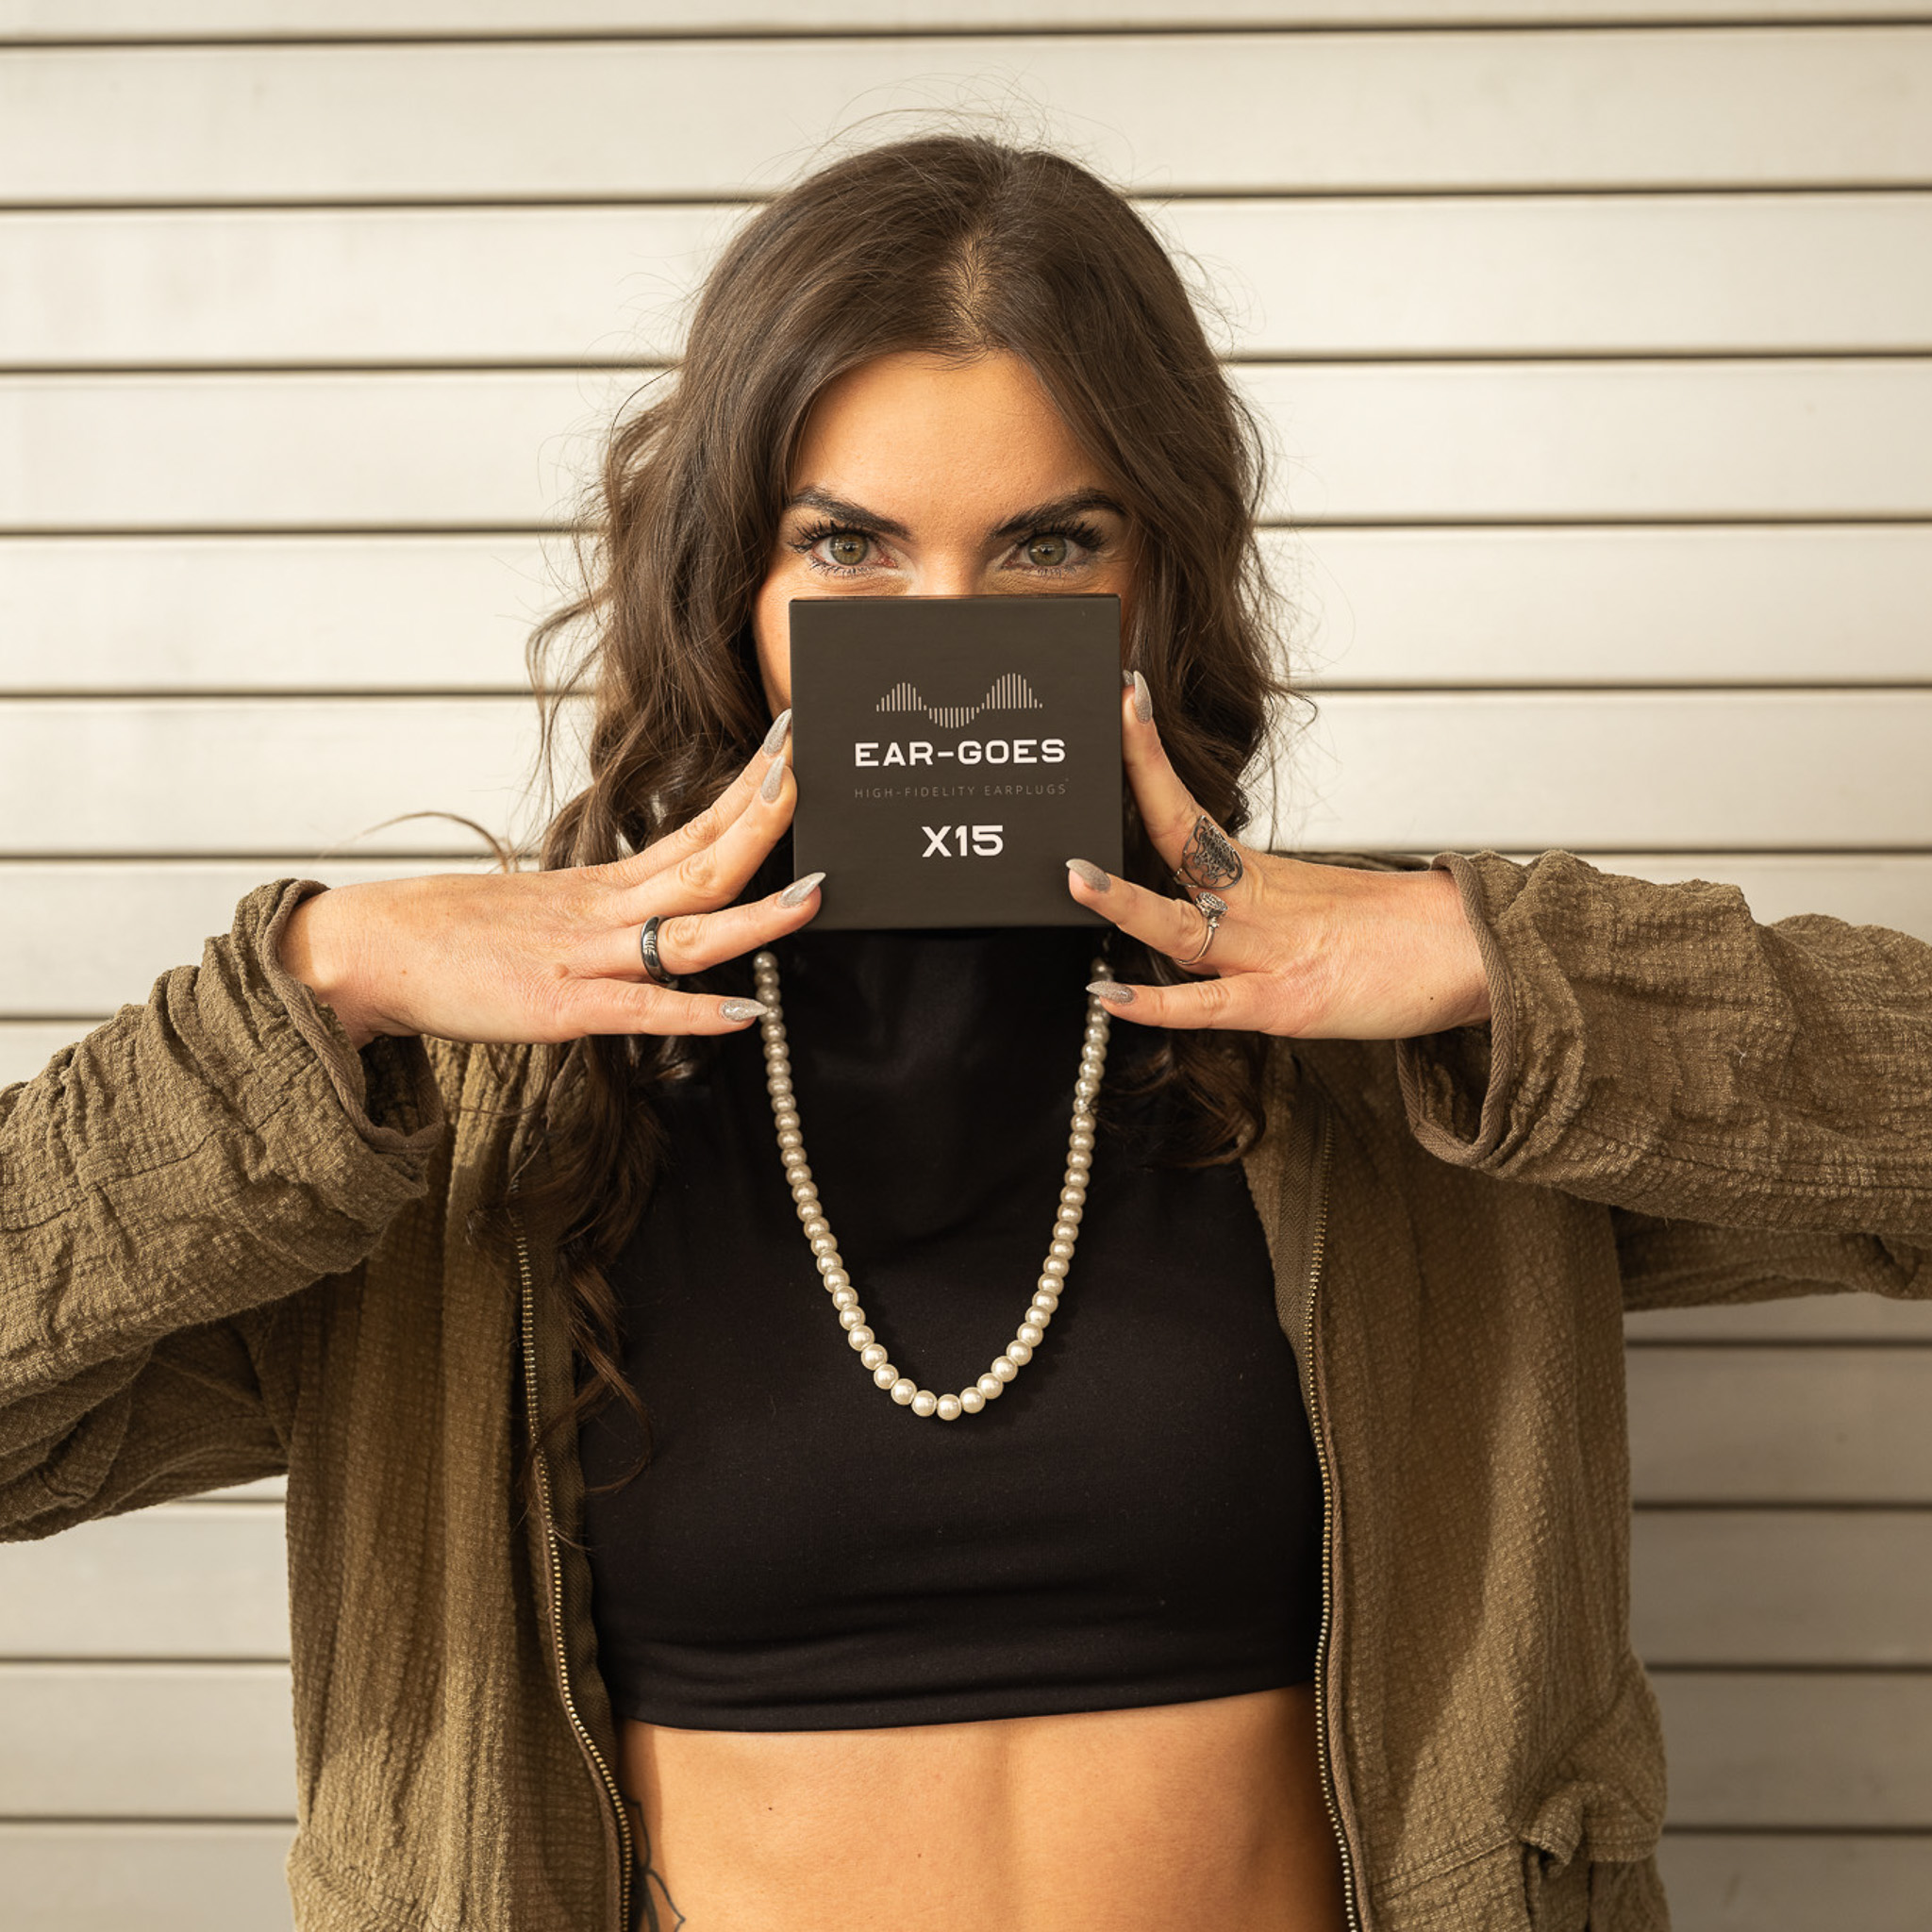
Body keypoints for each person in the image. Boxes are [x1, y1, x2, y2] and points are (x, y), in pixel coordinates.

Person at [3, 133, 1928, 1932]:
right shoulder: (458, 1116)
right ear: (728, 586)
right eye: (847, 551)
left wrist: (1519, 964)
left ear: (1160, 573)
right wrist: (316, 986)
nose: (936, 637)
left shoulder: (1407, 1057)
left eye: (1042, 548)